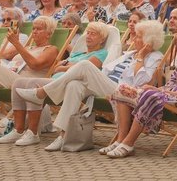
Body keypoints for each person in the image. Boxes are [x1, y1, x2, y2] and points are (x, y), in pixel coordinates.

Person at [16, 20, 164, 153]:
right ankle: (63, 135)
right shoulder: (129, 54)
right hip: (107, 85)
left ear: (148, 41)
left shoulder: (155, 57)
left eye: (138, 36)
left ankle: (42, 92)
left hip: (123, 92)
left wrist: (141, 57)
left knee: (85, 65)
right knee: (74, 85)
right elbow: (106, 70)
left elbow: (140, 82)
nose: (134, 38)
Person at [104, 26, 177, 158]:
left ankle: (128, 143)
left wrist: (160, 92)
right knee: (122, 90)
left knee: (151, 95)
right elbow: (168, 86)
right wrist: (156, 89)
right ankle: (120, 140)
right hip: (165, 96)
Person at [1, 21, 111, 146]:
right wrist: (68, 66)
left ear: (102, 39)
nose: (88, 36)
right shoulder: (78, 54)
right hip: (55, 82)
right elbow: (55, 68)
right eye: (88, 33)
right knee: (19, 82)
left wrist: (65, 66)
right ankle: (19, 130)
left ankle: (33, 132)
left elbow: (84, 69)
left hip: (75, 85)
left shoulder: (101, 53)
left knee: (34, 85)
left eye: (93, 34)